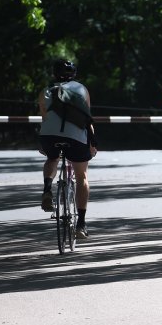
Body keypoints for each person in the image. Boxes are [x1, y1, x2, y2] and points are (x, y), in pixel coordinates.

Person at [38, 59, 98, 240]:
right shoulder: (81, 89)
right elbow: (87, 117)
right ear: (74, 75)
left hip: (49, 135)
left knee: (52, 159)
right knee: (82, 176)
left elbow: (44, 117)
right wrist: (93, 143)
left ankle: (47, 189)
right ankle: (81, 224)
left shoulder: (45, 91)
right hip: (75, 137)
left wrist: (43, 143)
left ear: (53, 74)